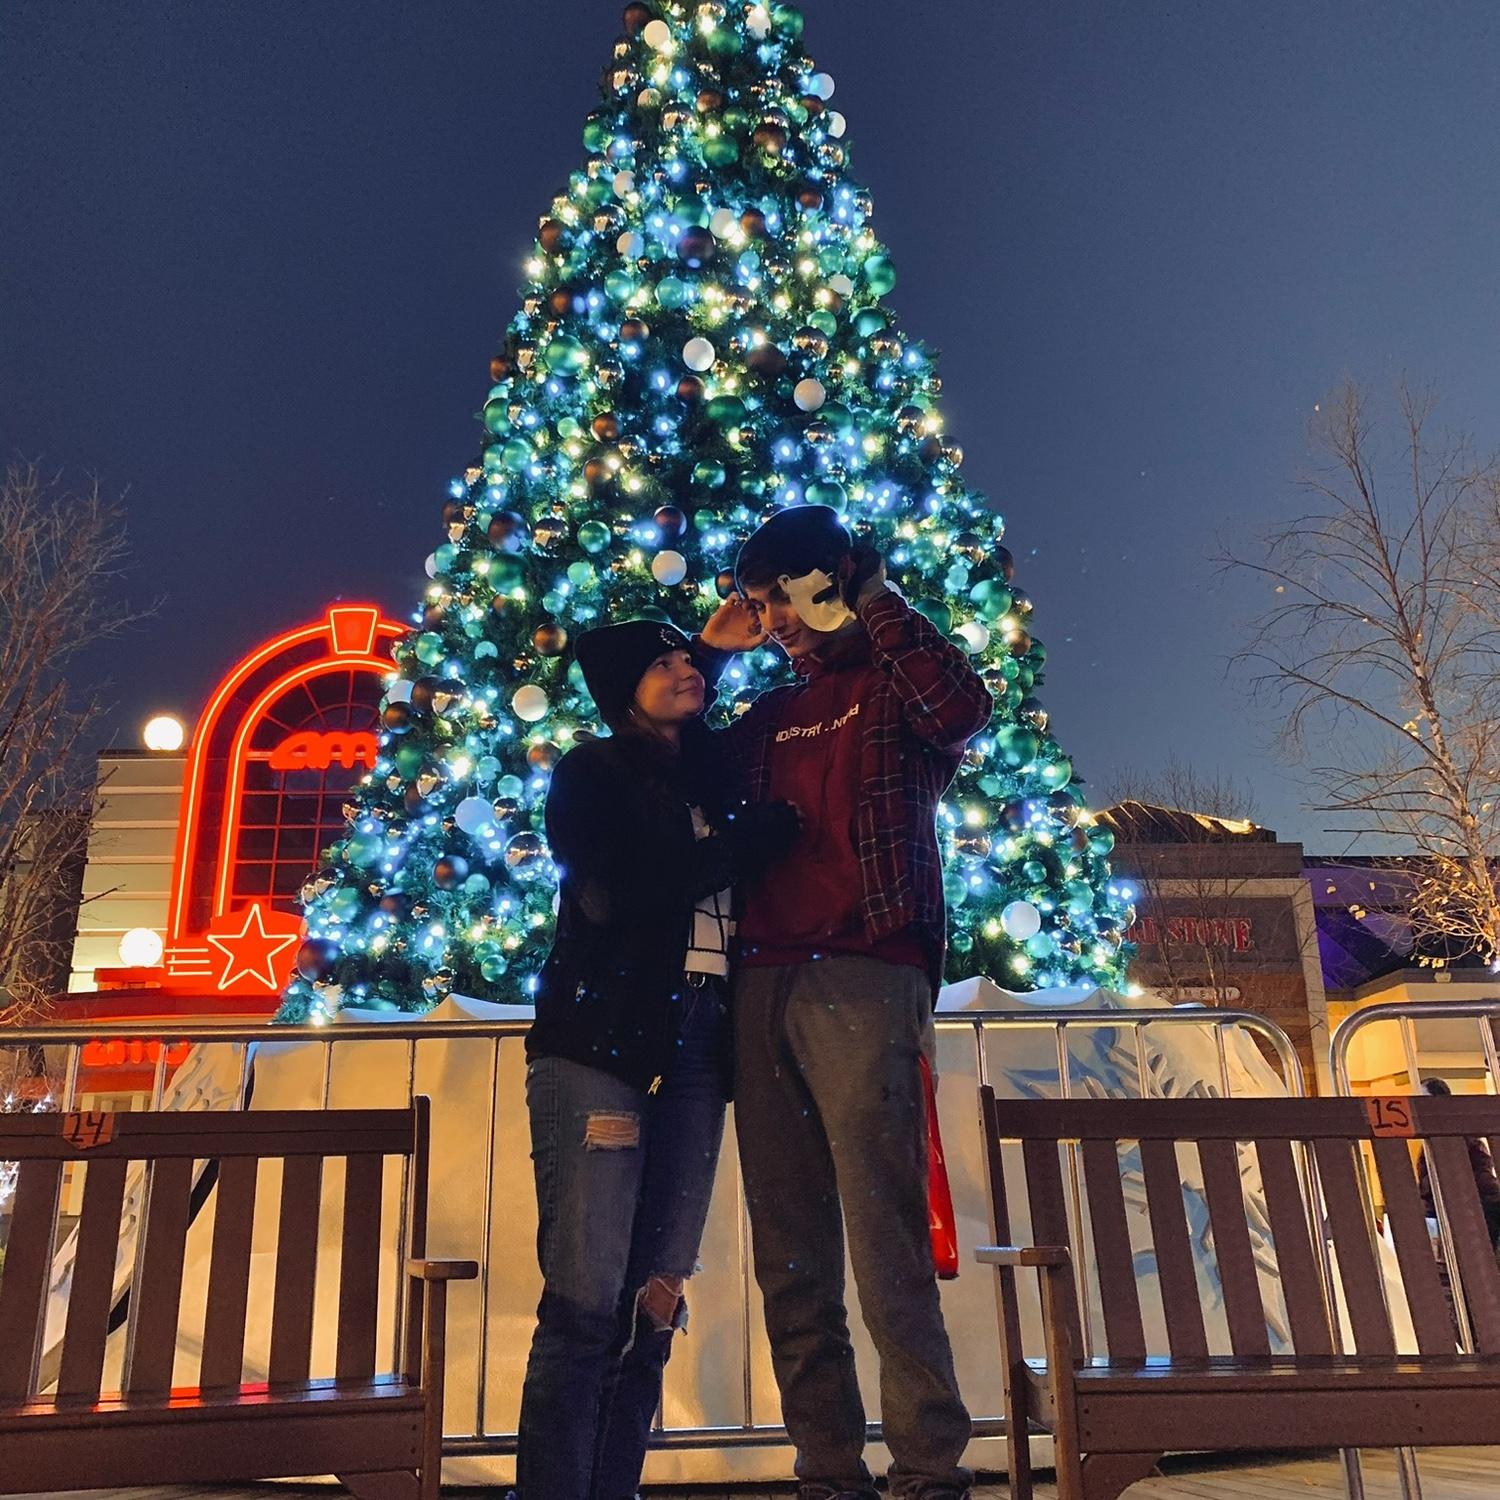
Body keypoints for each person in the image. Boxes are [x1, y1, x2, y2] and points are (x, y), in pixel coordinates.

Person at [697, 505, 992, 1500]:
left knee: (886, 1248)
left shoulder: (892, 689)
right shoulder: (774, 714)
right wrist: (711, 650)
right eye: (761, 600)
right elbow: (680, 771)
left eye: (786, 593)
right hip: (763, 982)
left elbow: (961, 708)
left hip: (867, 971)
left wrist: (869, 597)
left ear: (827, 579)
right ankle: (828, 1474)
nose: (774, 616)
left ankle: (927, 1476)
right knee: (792, 1261)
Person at [515, 619, 798, 1500]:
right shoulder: (593, 772)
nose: (684, 672)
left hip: (701, 1051)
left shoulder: (708, 774)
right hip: (602, 1048)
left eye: (687, 661)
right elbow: (615, 893)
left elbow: (711, 738)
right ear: (619, 688)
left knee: (654, 1300)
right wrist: (737, 851)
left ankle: (614, 1486)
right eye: (662, 664)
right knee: (585, 1302)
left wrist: (708, 653)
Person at [1417, 1076, 1500, 1250]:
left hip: (1468, 1208)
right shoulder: (1465, 1137)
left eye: (1422, 1099)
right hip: (1472, 1205)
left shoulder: (1449, 1140)